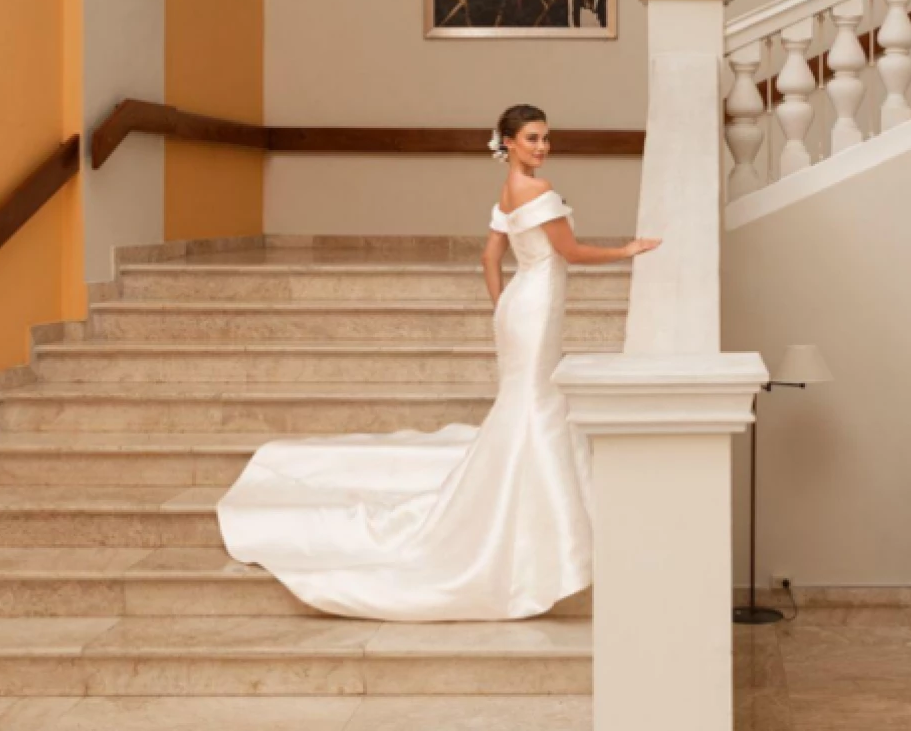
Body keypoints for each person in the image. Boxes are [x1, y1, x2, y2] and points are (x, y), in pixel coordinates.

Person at [215, 104, 661, 621]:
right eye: (533, 138)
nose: (542, 146)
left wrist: (502, 307)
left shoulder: (509, 191)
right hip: (535, 308)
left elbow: (490, 259)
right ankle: (545, 524)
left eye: (546, 138)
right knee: (536, 404)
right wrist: (628, 249)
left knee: (528, 402)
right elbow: (572, 253)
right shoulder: (538, 192)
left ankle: (528, 513)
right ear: (510, 143)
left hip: (521, 305)